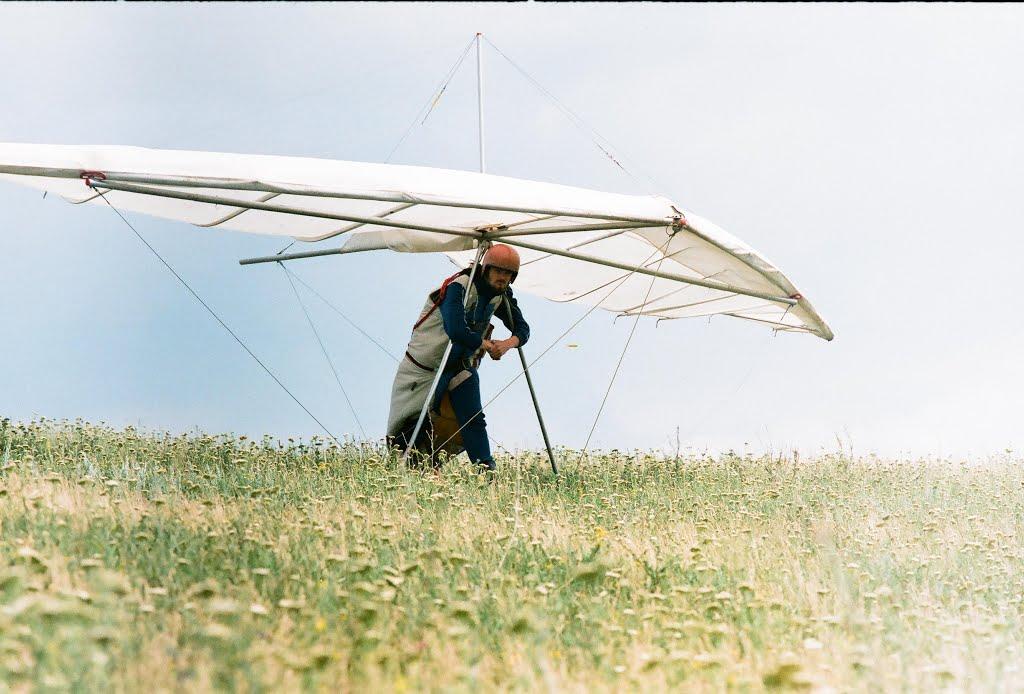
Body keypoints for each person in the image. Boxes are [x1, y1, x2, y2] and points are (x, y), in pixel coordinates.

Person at [386, 244, 529, 472]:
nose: (503, 278)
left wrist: (506, 345)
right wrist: (486, 344)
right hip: (426, 366)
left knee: (473, 417)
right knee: (420, 418)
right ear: (486, 269)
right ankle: (414, 465)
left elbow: (522, 329)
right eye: (498, 271)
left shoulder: (501, 295)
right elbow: (456, 330)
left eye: (508, 274)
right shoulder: (459, 286)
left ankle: (485, 469)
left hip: (458, 364)